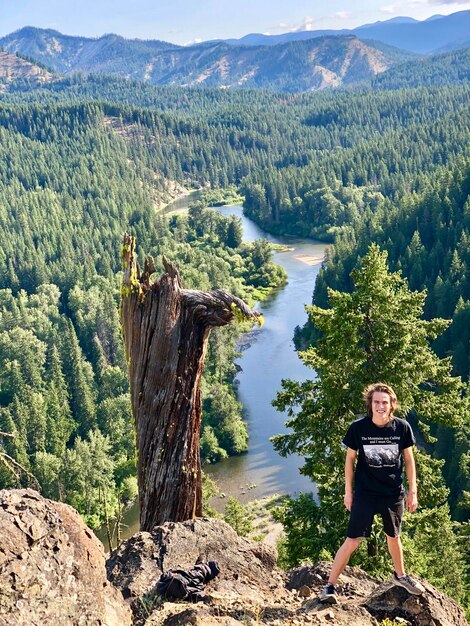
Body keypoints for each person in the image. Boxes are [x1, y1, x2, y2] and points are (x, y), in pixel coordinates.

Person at [320, 383, 425, 603]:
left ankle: (400, 576)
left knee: (394, 537)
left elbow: (409, 460)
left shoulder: (402, 428)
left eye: (384, 402)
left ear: (391, 405)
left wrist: (412, 491)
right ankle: (329, 586)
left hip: (392, 494)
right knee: (352, 541)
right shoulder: (358, 428)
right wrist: (348, 492)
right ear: (371, 404)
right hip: (365, 494)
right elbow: (350, 459)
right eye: (376, 402)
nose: (380, 406)